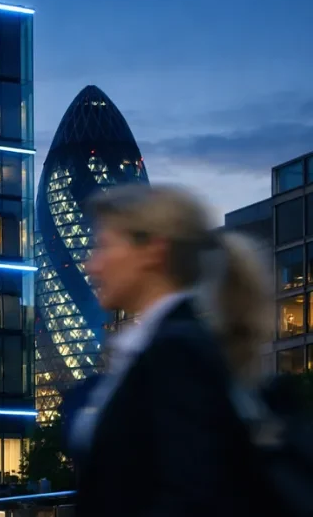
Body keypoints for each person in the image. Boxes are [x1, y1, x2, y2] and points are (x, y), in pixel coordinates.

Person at [69, 184, 272, 516]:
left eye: (103, 246)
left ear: (153, 251)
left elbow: (191, 495)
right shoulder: (161, 347)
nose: (92, 266)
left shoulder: (177, 352)